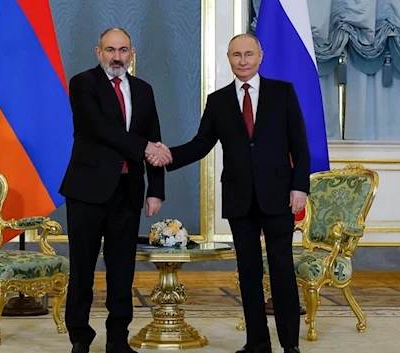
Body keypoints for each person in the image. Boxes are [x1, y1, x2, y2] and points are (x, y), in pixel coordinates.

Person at [148, 33, 308, 353]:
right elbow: (201, 144)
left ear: (260, 56)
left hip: (278, 197)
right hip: (239, 199)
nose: (243, 60)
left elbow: (300, 147)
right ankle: (257, 343)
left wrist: (299, 187)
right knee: (248, 275)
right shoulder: (218, 100)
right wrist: (166, 155)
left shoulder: (283, 93)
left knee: (282, 273)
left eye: (249, 54)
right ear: (229, 58)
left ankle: (290, 345)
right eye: (236, 55)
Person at [59, 28, 172, 353]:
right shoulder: (83, 84)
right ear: (98, 52)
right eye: (110, 50)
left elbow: (155, 135)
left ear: (132, 53)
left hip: (128, 192)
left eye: (123, 50)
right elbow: (99, 129)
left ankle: (118, 340)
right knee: (82, 268)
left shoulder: (144, 90)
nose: (117, 57)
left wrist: (156, 190)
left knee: (122, 272)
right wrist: (146, 146)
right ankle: (80, 338)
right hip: (86, 192)